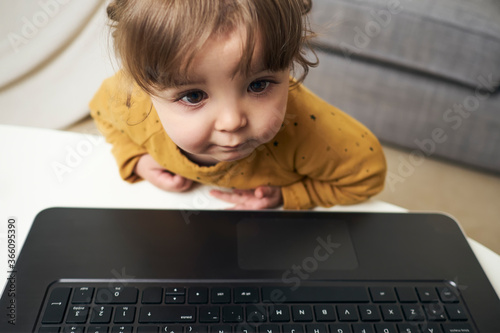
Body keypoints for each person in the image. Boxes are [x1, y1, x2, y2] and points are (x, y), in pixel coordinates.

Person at [90, 0, 387, 210]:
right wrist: (135, 158)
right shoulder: (130, 101)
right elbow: (101, 111)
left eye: (258, 85)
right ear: (143, 87)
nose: (232, 122)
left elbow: (367, 176)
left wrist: (290, 195)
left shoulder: (310, 131)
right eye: (193, 96)